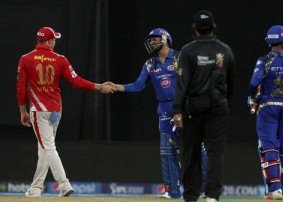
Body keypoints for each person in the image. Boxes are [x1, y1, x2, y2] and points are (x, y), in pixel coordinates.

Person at [108, 28, 207, 199]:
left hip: (186, 109)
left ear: (165, 39)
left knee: (198, 148)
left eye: (154, 39)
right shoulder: (150, 64)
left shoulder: (180, 57)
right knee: (167, 151)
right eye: (150, 40)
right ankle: (172, 191)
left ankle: (206, 187)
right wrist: (117, 87)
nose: (151, 43)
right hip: (165, 113)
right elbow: (138, 85)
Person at [16, 26, 115, 197]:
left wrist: (22, 111)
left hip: (39, 110)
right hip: (56, 110)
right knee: (45, 149)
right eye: (54, 39)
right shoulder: (60, 59)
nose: (55, 42)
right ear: (49, 41)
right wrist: (99, 86)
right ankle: (36, 189)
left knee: (48, 148)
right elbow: (77, 81)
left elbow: (20, 87)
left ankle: (64, 184)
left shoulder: (26, 59)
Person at [172, 10, 236, 202]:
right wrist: (224, 104)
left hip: (193, 109)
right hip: (218, 109)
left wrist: (177, 110)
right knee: (215, 152)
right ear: (214, 27)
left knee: (191, 152)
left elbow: (181, 82)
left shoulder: (187, 51)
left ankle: (191, 196)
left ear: (195, 29)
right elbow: (231, 82)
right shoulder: (225, 50)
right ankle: (212, 196)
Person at [248, 25, 283, 200]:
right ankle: (277, 189)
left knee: (269, 146)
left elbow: (254, 83)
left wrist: (253, 98)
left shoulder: (264, 61)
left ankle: (275, 189)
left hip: (268, 106)